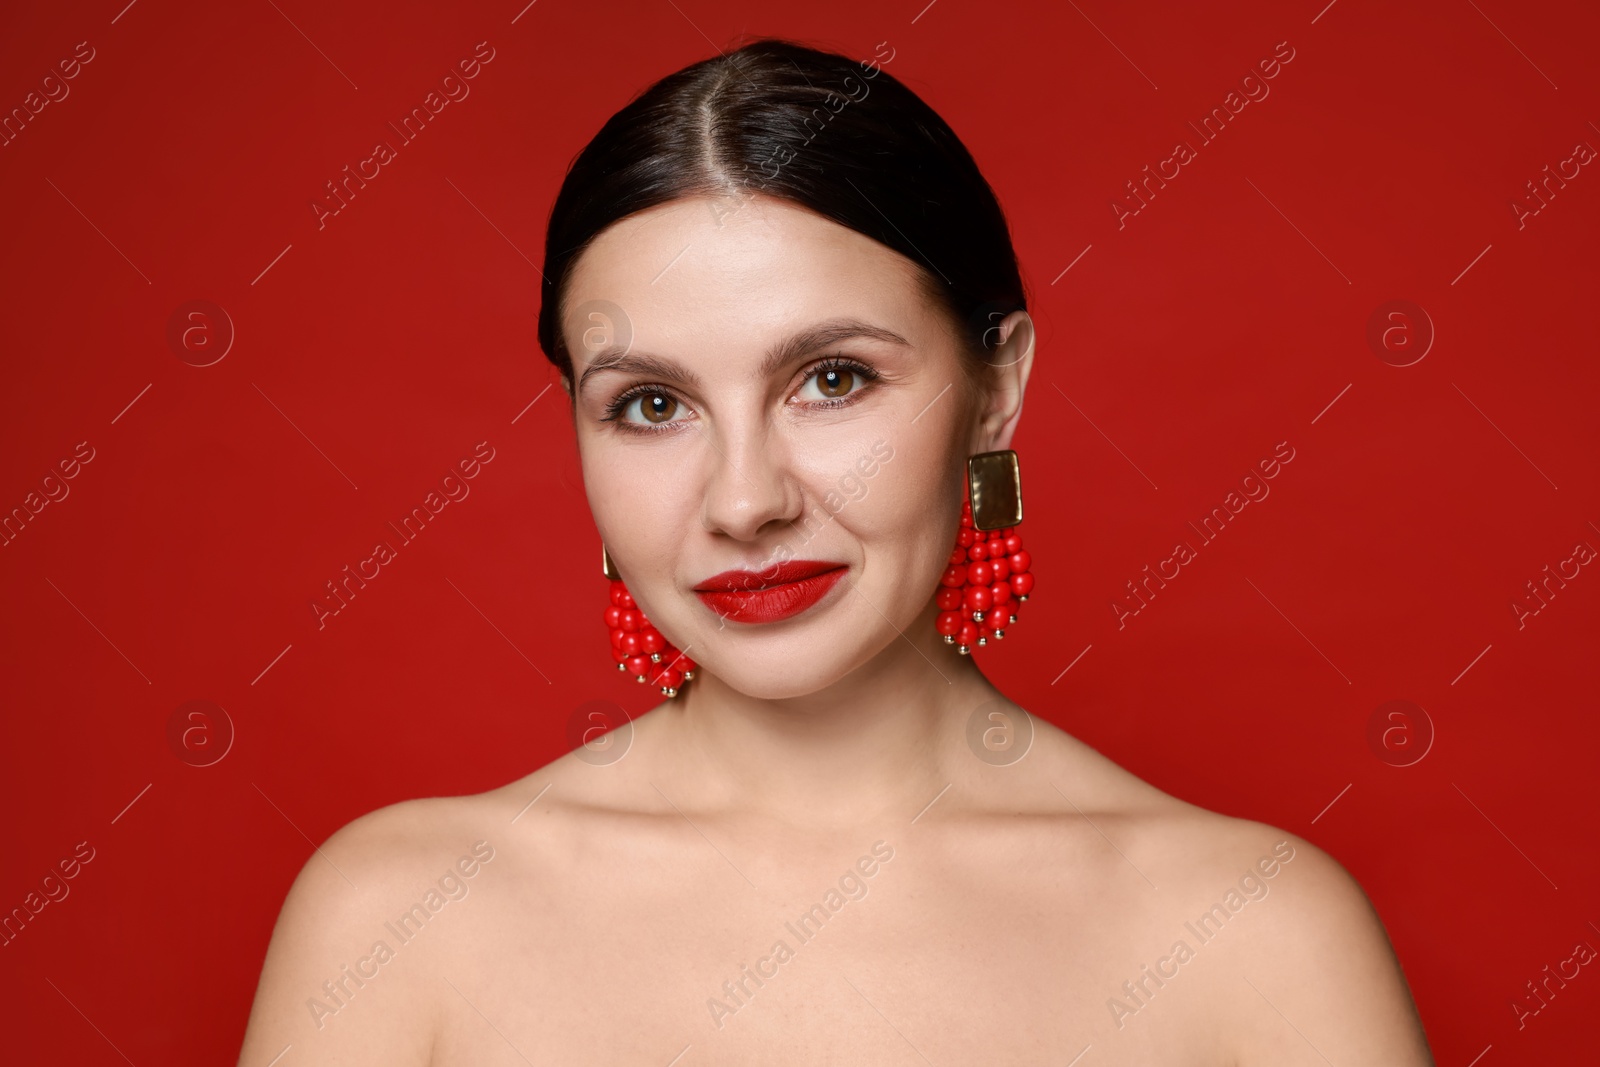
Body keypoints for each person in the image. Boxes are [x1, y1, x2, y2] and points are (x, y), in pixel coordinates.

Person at [238, 37, 1435, 1065]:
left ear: (995, 385)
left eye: (832, 378)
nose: (746, 500)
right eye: (652, 404)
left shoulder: (1256, 936)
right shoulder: (394, 922)